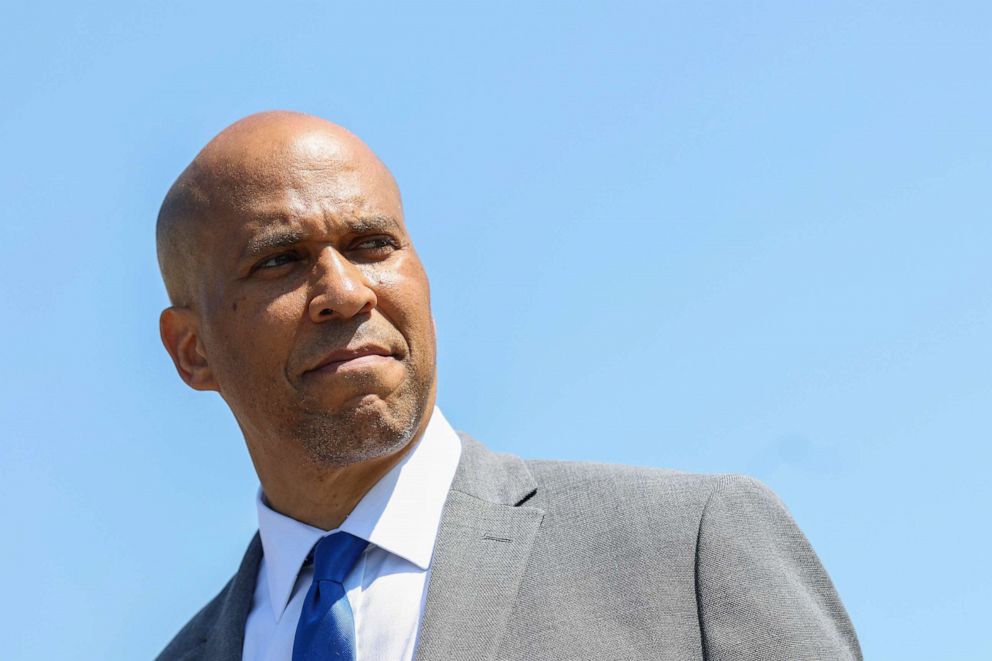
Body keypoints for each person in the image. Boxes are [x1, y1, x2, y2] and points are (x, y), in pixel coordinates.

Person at [154, 111, 862, 661]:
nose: (345, 290)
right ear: (192, 350)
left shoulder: (688, 551)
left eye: (374, 244)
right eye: (279, 260)